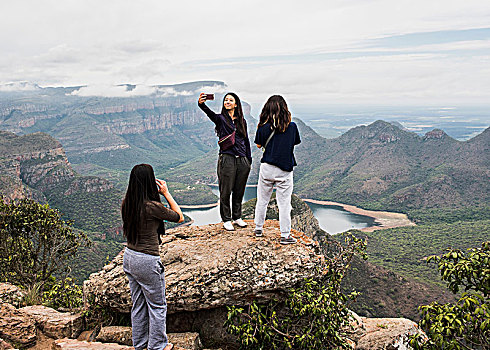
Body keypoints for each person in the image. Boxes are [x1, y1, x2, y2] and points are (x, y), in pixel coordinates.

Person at [121, 164, 184, 350]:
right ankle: (157, 346)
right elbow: (179, 217)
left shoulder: (128, 202)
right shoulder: (152, 207)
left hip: (130, 256)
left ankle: (140, 345)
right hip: (147, 260)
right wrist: (166, 193)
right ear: (150, 181)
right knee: (157, 306)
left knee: (139, 305)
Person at [198, 92, 252, 231]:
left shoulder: (242, 121)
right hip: (227, 158)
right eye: (225, 100)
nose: (227, 102)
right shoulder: (221, 119)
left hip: (242, 160)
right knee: (225, 190)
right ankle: (226, 219)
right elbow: (210, 114)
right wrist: (201, 104)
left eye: (230, 100)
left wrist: (248, 160)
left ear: (236, 104)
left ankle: (237, 217)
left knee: (239, 190)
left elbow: (246, 141)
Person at [253, 95, 301, 244]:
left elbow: (259, 145)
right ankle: (285, 235)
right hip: (284, 170)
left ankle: (258, 228)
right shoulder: (292, 127)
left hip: (267, 168)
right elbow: (295, 142)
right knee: (284, 203)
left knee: (262, 200)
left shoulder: (262, 127)